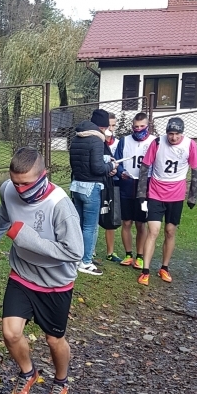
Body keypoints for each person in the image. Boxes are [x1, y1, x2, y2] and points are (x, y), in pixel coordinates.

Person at [0, 146, 84, 394]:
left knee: (54, 339)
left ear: (43, 176)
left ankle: (60, 381)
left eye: (26, 183)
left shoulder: (60, 205)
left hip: (55, 283)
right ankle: (28, 373)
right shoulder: (8, 189)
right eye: (16, 182)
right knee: (10, 333)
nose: (20, 189)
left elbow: (75, 251)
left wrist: (28, 238)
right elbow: (4, 212)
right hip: (22, 274)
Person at [136, 116, 197, 286]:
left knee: (170, 231)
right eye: (170, 134)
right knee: (153, 231)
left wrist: (193, 195)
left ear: (182, 133)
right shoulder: (157, 143)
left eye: (177, 134)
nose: (173, 137)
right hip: (156, 193)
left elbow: (196, 170)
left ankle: (164, 267)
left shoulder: (190, 145)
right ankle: (145, 271)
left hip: (176, 195)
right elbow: (145, 167)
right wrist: (142, 193)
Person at [69, 108, 117, 276]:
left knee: (78, 224)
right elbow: (97, 168)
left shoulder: (76, 138)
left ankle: (75, 258)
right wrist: (111, 166)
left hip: (76, 187)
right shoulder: (96, 140)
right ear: (102, 127)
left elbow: (77, 164)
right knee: (90, 227)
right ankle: (86, 262)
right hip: (91, 188)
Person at [113, 111, 154, 269]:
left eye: (142, 126)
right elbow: (117, 161)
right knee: (127, 222)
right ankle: (128, 254)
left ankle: (140, 256)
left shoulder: (153, 142)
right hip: (127, 185)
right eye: (136, 127)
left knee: (140, 223)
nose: (139, 129)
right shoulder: (124, 141)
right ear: (132, 126)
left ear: (147, 125)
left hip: (144, 186)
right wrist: (121, 171)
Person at [103, 112, 123, 263]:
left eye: (114, 125)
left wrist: (118, 170)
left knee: (111, 215)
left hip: (114, 183)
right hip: (99, 181)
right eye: (108, 124)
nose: (111, 128)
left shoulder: (119, 143)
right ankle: (88, 250)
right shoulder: (96, 141)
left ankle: (110, 252)